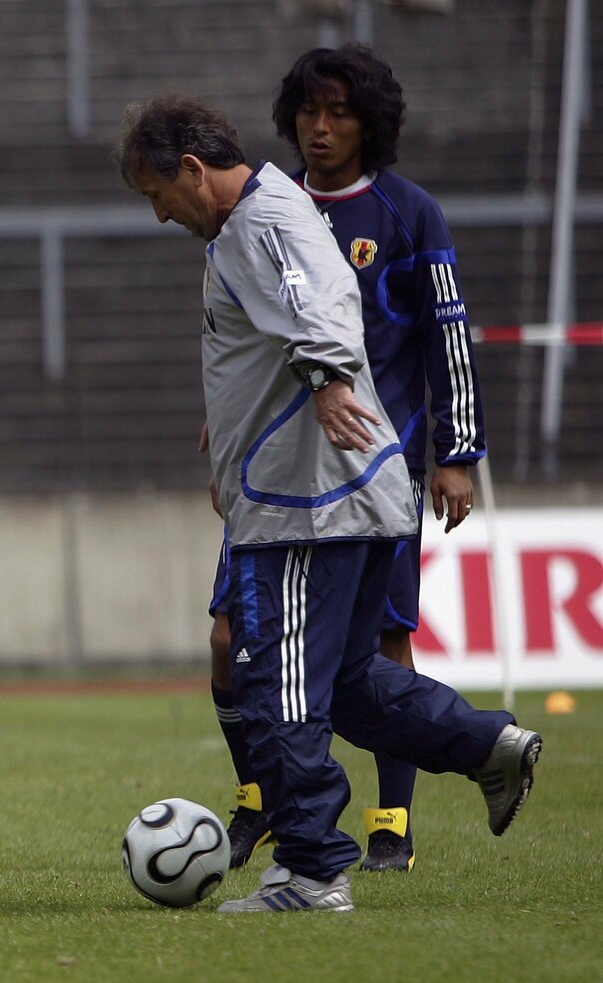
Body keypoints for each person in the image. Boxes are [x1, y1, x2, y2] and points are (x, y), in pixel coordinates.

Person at [118, 95, 539, 913]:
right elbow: (282, 323)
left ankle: (312, 871)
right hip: (335, 494)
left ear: (193, 170)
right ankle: (489, 744)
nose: (160, 215)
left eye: (157, 194)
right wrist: (232, 424)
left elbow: (321, 303)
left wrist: (325, 378)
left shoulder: (262, 222)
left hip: (310, 505)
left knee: (277, 681)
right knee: (345, 684)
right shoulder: (270, 214)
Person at [210, 44, 488, 874]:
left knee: (382, 641)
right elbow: (242, 333)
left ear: (371, 124)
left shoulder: (409, 213)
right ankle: (260, 797)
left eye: (339, 113)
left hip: (376, 467)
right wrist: (220, 423)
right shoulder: (267, 208)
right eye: (308, 111)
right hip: (274, 470)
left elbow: (447, 336)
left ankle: (390, 822)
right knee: (229, 638)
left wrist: (457, 453)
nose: (321, 127)